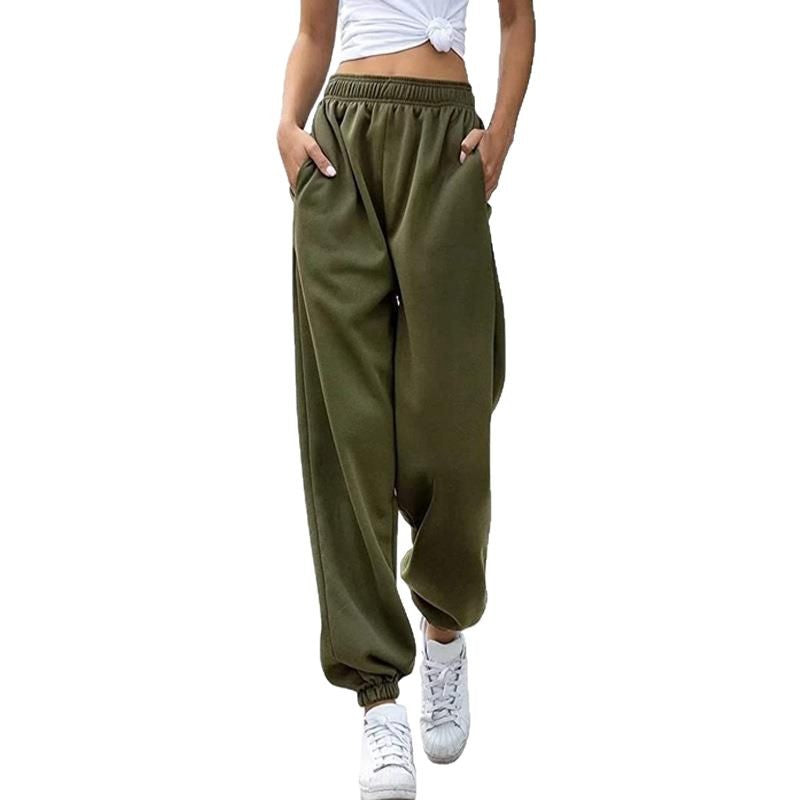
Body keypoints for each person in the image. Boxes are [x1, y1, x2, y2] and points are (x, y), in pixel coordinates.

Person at [278, 1, 534, 796]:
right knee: (347, 425)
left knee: (453, 411)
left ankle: (444, 624)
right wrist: (286, 126)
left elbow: (517, 20)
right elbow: (314, 33)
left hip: (444, 144)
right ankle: (378, 700)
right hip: (341, 148)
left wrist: (502, 134)